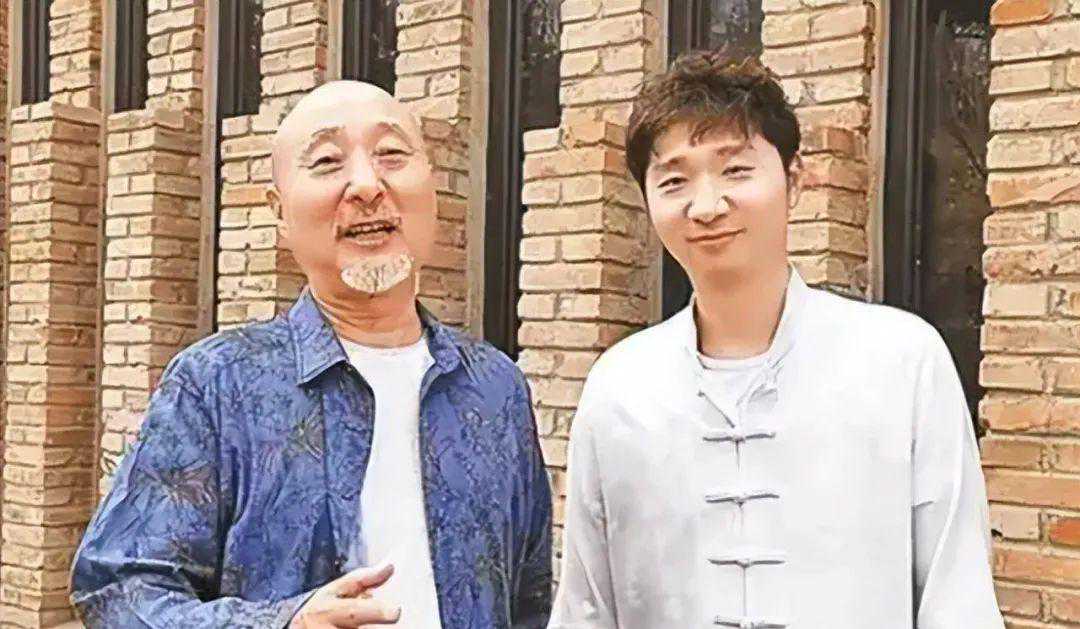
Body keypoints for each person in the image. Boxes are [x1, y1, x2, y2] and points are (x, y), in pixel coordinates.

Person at [71, 81, 552, 629]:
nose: (367, 184)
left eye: (391, 154)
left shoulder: (495, 387)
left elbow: (530, 598)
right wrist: (281, 623)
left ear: (433, 185)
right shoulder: (217, 385)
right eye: (327, 161)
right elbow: (118, 590)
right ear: (279, 212)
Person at [548, 51, 1003, 629]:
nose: (706, 206)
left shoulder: (902, 361)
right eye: (674, 180)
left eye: (735, 170)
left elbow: (958, 599)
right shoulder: (619, 387)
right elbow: (586, 608)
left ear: (794, 179)